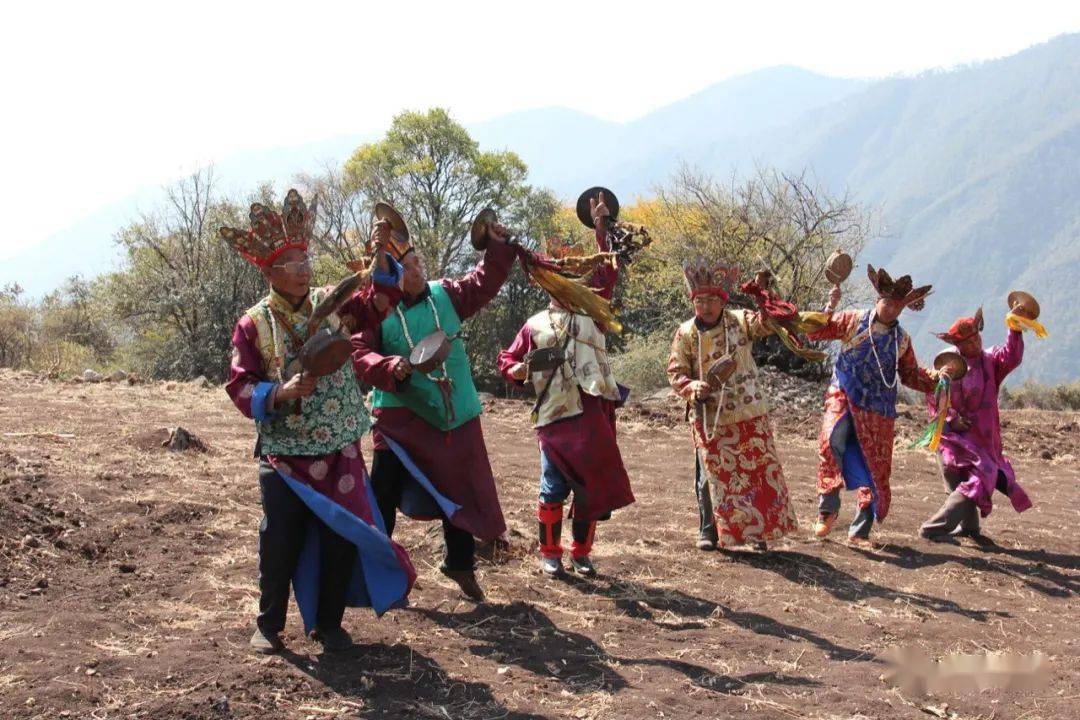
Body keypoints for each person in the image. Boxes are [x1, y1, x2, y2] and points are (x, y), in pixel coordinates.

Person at [221, 190, 415, 654]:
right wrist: (280, 393)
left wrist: (382, 251)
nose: (305, 267)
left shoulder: (334, 302)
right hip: (284, 451)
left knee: (340, 537)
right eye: (292, 262)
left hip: (339, 445)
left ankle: (328, 625)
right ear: (270, 273)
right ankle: (268, 626)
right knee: (279, 540)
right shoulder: (254, 324)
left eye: (305, 258)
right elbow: (239, 384)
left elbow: (379, 294)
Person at [352, 216, 517, 601]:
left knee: (456, 487)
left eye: (418, 263)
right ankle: (382, 573)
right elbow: (359, 353)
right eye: (407, 267)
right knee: (383, 493)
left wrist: (496, 247)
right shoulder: (376, 309)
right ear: (391, 274)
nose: (417, 270)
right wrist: (390, 366)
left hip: (450, 411)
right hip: (397, 416)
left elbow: (483, 283)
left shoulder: (446, 294)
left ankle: (460, 563)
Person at [497, 191, 634, 576]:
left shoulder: (595, 309)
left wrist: (602, 226)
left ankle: (582, 553)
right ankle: (550, 553)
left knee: (589, 488)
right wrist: (519, 371)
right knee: (552, 486)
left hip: (592, 411)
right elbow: (506, 361)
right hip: (554, 414)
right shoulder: (534, 325)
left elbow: (608, 270)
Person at [807, 265, 947, 548]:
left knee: (876, 467)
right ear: (878, 300)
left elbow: (909, 375)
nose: (892, 309)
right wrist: (830, 304)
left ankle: (860, 530)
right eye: (888, 303)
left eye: (897, 306)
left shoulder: (901, 340)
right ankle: (828, 509)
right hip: (844, 393)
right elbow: (816, 333)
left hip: (878, 408)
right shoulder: (852, 320)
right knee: (829, 439)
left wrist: (937, 379)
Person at [666, 260, 799, 552]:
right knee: (709, 477)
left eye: (712, 299)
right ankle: (709, 531)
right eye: (700, 300)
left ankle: (759, 533)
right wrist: (692, 387)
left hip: (749, 411)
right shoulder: (686, 332)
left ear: (723, 300)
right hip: (710, 415)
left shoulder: (741, 321)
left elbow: (771, 322)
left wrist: (764, 293)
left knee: (757, 474)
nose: (706, 306)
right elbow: (676, 372)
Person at [918, 308, 1032, 542]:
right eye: (969, 341)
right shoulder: (948, 367)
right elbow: (934, 397)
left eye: (977, 338)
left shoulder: (990, 361)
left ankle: (969, 529)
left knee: (973, 481)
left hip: (983, 438)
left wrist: (1015, 327)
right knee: (976, 480)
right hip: (954, 439)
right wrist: (952, 418)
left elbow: (1012, 356)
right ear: (959, 345)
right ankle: (933, 528)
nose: (975, 343)